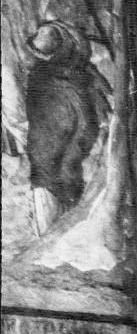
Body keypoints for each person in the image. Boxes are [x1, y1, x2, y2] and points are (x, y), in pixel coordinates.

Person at [23, 19, 110, 234]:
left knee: (62, 229)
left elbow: (88, 124)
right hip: (52, 167)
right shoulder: (44, 78)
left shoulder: (78, 79)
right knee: (54, 230)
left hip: (63, 167)